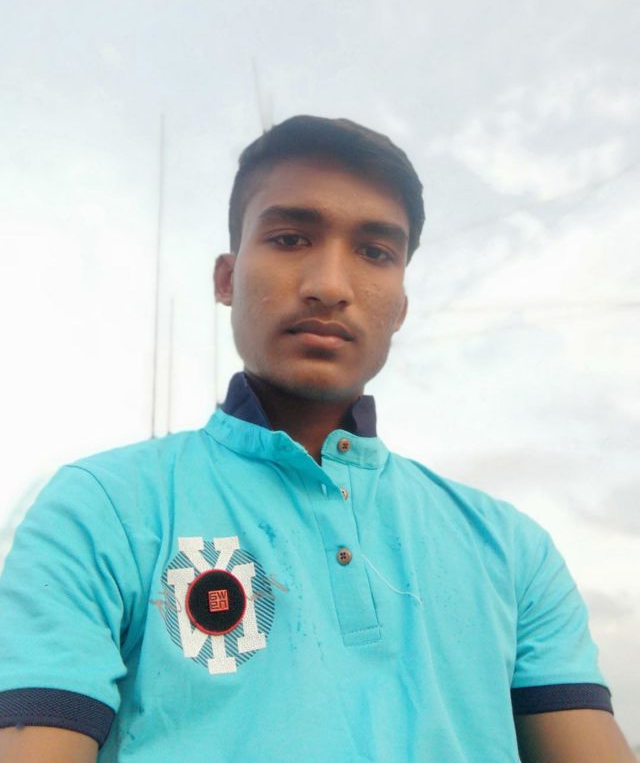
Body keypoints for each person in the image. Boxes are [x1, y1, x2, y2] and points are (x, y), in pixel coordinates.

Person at [0, 116, 634, 763]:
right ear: (226, 278)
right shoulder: (102, 508)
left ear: (401, 306)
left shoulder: (513, 549)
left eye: (376, 252)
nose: (329, 286)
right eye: (290, 237)